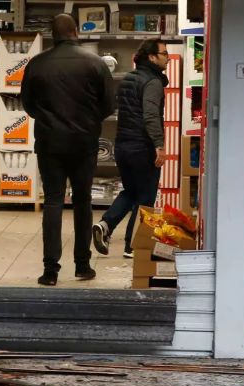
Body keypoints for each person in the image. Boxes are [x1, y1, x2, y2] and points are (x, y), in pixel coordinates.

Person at [21, 14, 115, 286]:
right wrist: (87, 120)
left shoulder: (37, 64)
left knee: (53, 202)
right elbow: (108, 105)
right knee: (83, 202)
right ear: (76, 31)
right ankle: (82, 265)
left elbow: (27, 105)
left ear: (52, 33)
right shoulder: (95, 63)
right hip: (84, 143)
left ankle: (50, 270)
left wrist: (50, 119)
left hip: (50, 143)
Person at [92, 39, 170, 258]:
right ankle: (133, 246)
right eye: (164, 54)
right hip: (142, 147)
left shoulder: (128, 78)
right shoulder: (152, 82)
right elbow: (151, 114)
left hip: (123, 145)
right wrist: (159, 145)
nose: (168, 58)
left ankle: (105, 225)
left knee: (131, 191)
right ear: (152, 57)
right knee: (145, 197)